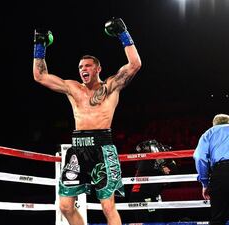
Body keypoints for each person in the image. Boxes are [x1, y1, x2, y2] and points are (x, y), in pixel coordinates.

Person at [32, 18, 141, 225]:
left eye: (88, 66)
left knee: (108, 206)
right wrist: (40, 46)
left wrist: (123, 34)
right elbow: (40, 76)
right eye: (81, 66)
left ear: (98, 68)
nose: (83, 69)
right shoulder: (72, 88)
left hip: (103, 148)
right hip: (77, 149)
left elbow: (135, 64)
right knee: (65, 205)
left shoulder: (110, 86)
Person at [128, 140, 177, 222]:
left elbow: (173, 172)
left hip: (152, 195)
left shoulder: (161, 164)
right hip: (141, 195)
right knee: (146, 220)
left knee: (156, 218)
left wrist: (167, 164)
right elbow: (145, 168)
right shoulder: (146, 160)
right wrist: (162, 168)